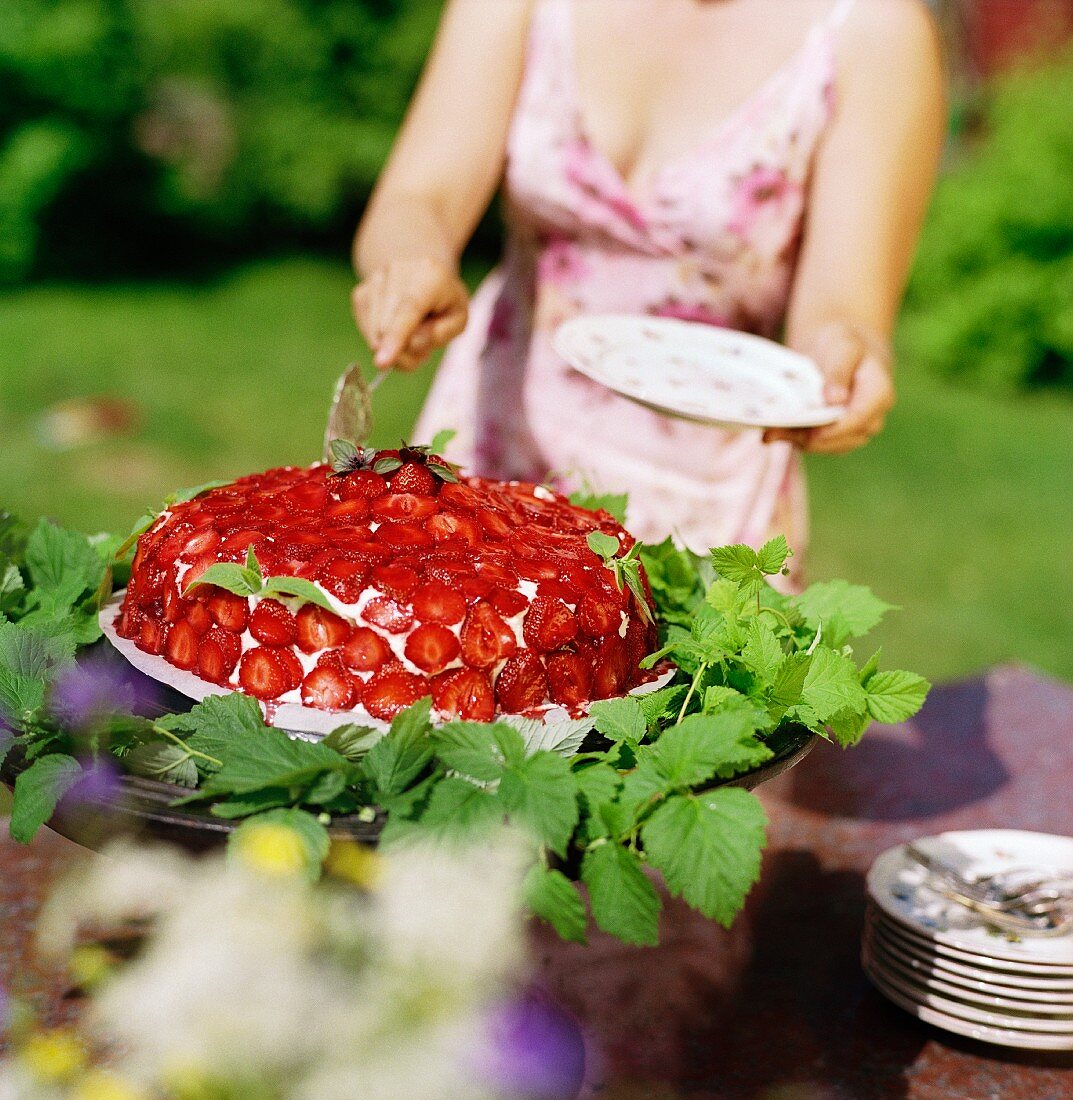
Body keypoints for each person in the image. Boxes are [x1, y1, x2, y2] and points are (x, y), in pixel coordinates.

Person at [350, 0, 945, 557]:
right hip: (491, 453)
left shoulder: (873, 29)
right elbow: (417, 198)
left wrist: (847, 357)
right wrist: (410, 264)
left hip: (702, 513)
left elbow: (842, 307)